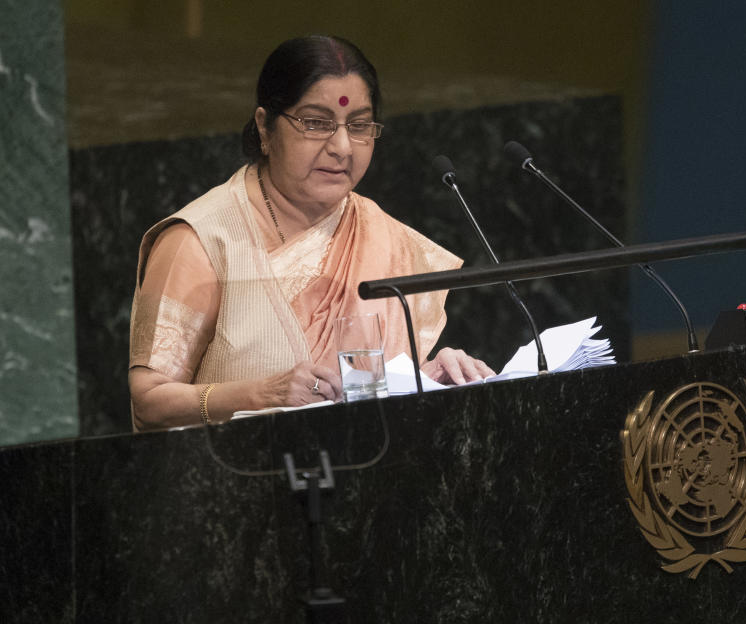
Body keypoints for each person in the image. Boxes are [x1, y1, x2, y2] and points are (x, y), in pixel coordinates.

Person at [128, 35, 494, 430]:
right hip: (236, 481)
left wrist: (429, 376)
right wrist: (259, 395)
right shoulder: (201, 241)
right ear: (265, 128)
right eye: (316, 123)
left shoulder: (385, 238)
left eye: (358, 126)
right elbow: (150, 400)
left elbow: (365, 388)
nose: (342, 146)